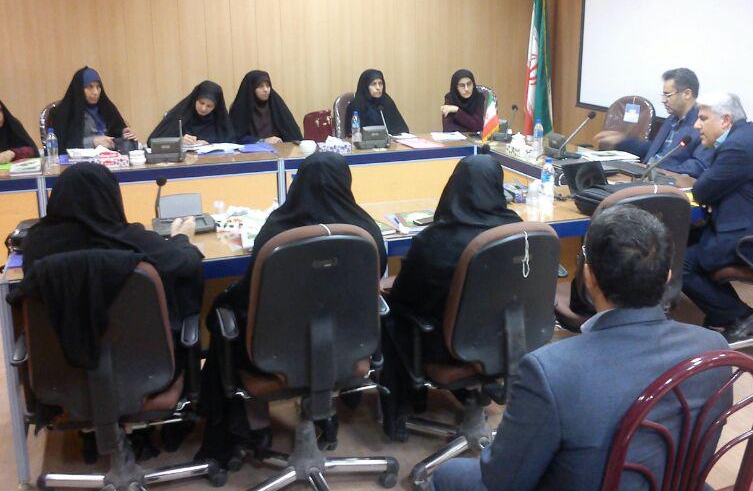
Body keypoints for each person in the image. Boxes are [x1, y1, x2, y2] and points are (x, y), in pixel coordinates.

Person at [432, 205, 731, 491]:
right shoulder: (713, 349)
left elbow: (502, 482)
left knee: (447, 474)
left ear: (588, 277)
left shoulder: (550, 372)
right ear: (667, 277)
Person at [197, 151, 387, 465]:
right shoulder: (364, 232)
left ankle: (257, 427)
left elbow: (251, 297)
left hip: (273, 353)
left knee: (228, 319)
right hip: (347, 347)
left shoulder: (277, 232)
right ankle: (324, 415)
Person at [381, 154, 521, 439]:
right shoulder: (518, 232)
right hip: (511, 339)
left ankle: (398, 414)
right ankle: (476, 394)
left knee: (389, 316)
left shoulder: (435, 240)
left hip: (449, 349)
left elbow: (405, 297)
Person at [22, 162, 204, 334]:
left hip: (56, 353)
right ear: (109, 197)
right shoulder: (131, 238)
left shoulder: (35, 243)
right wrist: (182, 237)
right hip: (139, 349)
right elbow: (186, 263)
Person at [683, 92, 753, 338]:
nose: (697, 125)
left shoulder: (738, 146)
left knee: (682, 264)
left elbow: (702, 191)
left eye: (703, 118)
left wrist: (710, 197)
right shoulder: (745, 136)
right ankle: (726, 315)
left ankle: (741, 317)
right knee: (685, 238)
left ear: (725, 120)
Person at [594, 68, 713, 177]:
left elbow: (698, 166)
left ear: (686, 94)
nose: (663, 100)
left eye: (668, 95)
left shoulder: (703, 124)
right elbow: (654, 149)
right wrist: (622, 141)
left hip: (667, 182)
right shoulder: (671, 119)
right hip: (646, 175)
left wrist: (658, 169)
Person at [50, 67, 137, 152]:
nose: (95, 92)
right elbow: (61, 146)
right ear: (79, 88)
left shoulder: (107, 108)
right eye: (90, 87)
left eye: (98, 87)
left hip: (110, 158)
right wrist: (93, 142)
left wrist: (124, 134)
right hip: (80, 160)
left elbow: (116, 135)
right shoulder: (65, 112)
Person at [148, 81, 234, 146]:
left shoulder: (220, 122)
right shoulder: (179, 116)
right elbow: (153, 142)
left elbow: (231, 145)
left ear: (215, 107)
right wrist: (178, 141)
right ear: (195, 99)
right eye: (201, 103)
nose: (203, 108)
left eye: (209, 106)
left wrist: (210, 144)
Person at [229, 70, 302, 144]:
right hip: (251, 150)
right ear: (251, 88)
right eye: (260, 86)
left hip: (279, 148)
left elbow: (292, 134)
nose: (266, 90)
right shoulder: (240, 109)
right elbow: (235, 138)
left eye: (268, 86)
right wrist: (262, 141)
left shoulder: (276, 105)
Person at [345, 69, 409, 136]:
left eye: (380, 84)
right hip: (365, 142)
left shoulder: (387, 101)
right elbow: (352, 134)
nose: (378, 88)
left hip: (389, 141)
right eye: (373, 84)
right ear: (365, 86)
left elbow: (401, 128)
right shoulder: (356, 105)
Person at [441, 69, 485, 133]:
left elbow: (478, 127)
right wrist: (470, 126)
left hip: (474, 138)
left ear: (473, 85)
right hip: (455, 139)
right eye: (462, 85)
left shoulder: (478, 98)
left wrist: (457, 110)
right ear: (456, 87)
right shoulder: (450, 98)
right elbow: (447, 128)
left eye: (469, 84)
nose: (466, 89)